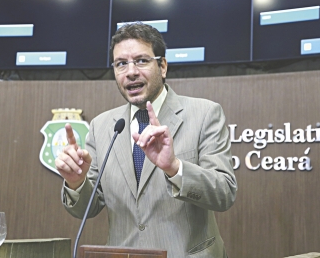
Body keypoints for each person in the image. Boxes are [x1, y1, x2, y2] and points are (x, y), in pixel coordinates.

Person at [55, 22, 237, 258]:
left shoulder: (205, 114)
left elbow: (224, 193)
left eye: (141, 60)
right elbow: (86, 208)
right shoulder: (102, 126)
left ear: (162, 66)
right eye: (121, 64)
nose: (130, 72)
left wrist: (175, 168)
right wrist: (77, 183)